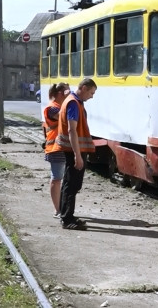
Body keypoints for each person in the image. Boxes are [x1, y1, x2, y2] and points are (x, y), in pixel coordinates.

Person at [52, 78, 97, 230]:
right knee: (71, 185)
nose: (92, 96)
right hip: (73, 150)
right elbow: (72, 130)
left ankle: (68, 216)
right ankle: (67, 219)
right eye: (91, 92)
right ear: (83, 88)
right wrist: (78, 156)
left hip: (73, 149)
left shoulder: (73, 101)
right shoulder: (73, 103)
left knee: (70, 184)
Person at [42, 82, 71, 219]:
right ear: (60, 93)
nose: (69, 94)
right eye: (67, 92)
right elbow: (64, 116)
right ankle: (57, 210)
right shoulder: (52, 108)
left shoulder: (60, 106)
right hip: (55, 148)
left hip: (63, 148)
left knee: (63, 179)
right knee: (57, 179)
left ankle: (62, 208)